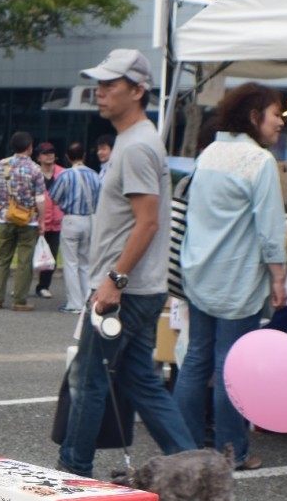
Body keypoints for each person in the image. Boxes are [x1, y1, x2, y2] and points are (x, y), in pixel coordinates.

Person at [57, 48, 196, 477]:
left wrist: (114, 280)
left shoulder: (136, 146)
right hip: (142, 287)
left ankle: (73, 470)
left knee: (89, 381)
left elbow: (148, 222)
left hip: (126, 288)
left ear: (138, 91)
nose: (99, 92)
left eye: (110, 85)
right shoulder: (135, 139)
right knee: (140, 381)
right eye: (98, 84)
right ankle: (196, 467)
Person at [172, 83, 287, 471]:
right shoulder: (259, 162)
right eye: (276, 115)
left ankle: (183, 447)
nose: (281, 124)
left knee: (196, 360)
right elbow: (271, 230)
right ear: (255, 116)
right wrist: (278, 277)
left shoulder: (209, 154)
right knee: (230, 367)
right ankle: (232, 450)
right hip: (237, 279)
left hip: (199, 273)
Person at [0, 131, 46, 311]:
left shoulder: (2, 164)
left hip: (5, 217)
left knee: (2, 259)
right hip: (28, 220)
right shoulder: (35, 169)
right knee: (24, 262)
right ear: (30, 147)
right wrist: (42, 220)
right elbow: (40, 198)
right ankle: (19, 300)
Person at [49, 142, 101, 314]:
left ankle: (74, 303)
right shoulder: (94, 175)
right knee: (85, 263)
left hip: (71, 219)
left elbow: (54, 198)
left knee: (71, 263)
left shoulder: (65, 175)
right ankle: (88, 301)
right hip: (90, 219)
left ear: (67, 157)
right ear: (84, 155)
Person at [34, 142, 63, 299]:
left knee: (51, 255)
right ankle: (22, 285)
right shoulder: (34, 172)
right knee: (30, 254)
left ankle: (43, 286)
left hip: (56, 222)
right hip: (36, 220)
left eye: (51, 152)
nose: (49, 155)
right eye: (45, 153)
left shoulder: (63, 173)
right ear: (38, 157)